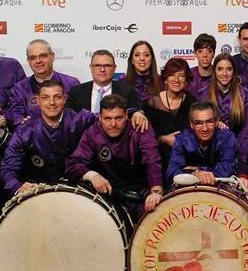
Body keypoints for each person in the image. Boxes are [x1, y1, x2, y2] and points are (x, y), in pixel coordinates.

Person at [67, 94, 163, 217]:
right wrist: (92, 176)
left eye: (118, 118)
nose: (113, 124)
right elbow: (73, 164)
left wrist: (156, 191)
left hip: (141, 192)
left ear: (127, 116)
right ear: (99, 118)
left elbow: (153, 161)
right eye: (107, 119)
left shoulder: (140, 127)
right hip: (108, 193)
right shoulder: (92, 133)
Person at [0, 79, 96, 195]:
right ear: (38, 101)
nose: (52, 103)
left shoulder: (81, 119)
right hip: (39, 191)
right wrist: (17, 186)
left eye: (57, 97)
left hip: (77, 189)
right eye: (45, 97)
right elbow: (7, 169)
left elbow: (109, 121)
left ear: (64, 99)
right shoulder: (24, 131)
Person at [143, 57, 195, 188]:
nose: (176, 80)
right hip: (157, 161)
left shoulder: (194, 104)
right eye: (172, 75)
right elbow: (144, 139)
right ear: (165, 79)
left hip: (185, 162)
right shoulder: (151, 104)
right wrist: (163, 139)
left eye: (181, 75)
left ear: (186, 79)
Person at [4, 39, 80, 126]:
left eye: (43, 56)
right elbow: (15, 113)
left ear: (53, 56)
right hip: (33, 136)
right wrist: (22, 121)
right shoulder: (20, 88)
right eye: (32, 58)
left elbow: (79, 115)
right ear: (28, 61)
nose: (38, 61)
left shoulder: (71, 83)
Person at [165, 101, 237, 187]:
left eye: (209, 122)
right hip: (189, 191)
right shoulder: (182, 139)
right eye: (198, 123)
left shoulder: (227, 137)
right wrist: (195, 173)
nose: (205, 128)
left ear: (217, 121)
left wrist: (197, 170)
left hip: (221, 189)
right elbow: (171, 173)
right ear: (191, 124)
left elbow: (227, 170)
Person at [65, 50, 143, 122]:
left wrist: (137, 113)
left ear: (114, 68)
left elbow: (134, 112)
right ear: (91, 67)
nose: (102, 69)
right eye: (97, 65)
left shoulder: (127, 92)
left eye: (107, 66)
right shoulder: (77, 92)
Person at [203, 53, 248, 135]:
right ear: (214, 71)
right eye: (220, 69)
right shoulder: (204, 93)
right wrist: (215, 123)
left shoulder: (244, 93)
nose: (224, 74)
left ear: (234, 71)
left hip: (238, 143)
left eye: (228, 69)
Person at [189, 33, 216, 99]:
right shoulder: (188, 75)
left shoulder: (219, 75)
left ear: (214, 54)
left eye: (209, 51)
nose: (205, 55)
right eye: (200, 51)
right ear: (195, 54)